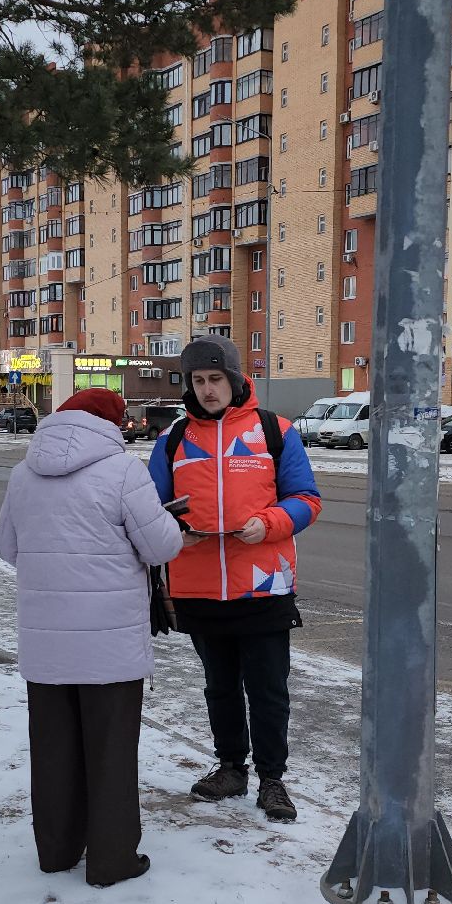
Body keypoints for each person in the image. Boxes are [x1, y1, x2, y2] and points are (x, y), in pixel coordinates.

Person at [0, 388, 184, 886]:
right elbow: (160, 546)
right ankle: (112, 860)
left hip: (46, 644)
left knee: (53, 751)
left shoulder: (23, 474)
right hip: (109, 645)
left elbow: (5, 546)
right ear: (112, 424)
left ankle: (56, 851)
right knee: (110, 753)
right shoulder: (124, 472)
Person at [147, 335, 322, 822]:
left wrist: (269, 523)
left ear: (235, 379)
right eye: (198, 380)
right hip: (198, 586)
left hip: (264, 583)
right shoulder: (174, 439)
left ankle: (272, 778)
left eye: (215, 379)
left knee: (268, 689)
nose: (207, 389)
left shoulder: (274, 431)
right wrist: (174, 532)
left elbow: (306, 499)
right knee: (219, 687)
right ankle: (230, 767)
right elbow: (149, 508)